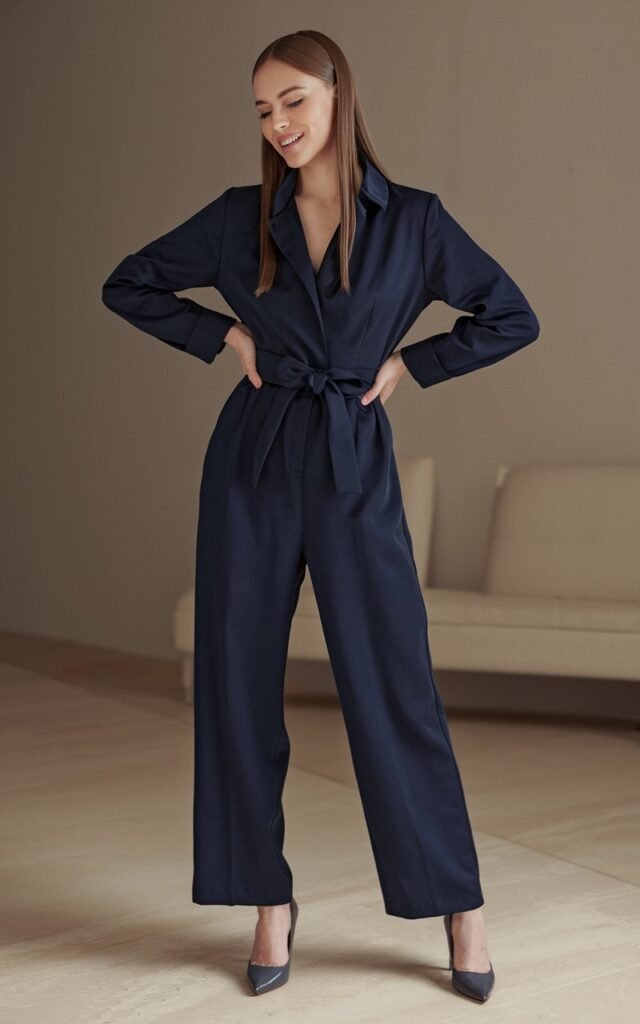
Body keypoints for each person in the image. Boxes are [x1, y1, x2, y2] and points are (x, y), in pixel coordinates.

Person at [101, 29, 539, 1001]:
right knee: (237, 683)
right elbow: (126, 282)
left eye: (294, 100)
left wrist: (411, 362)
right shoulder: (237, 218)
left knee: (394, 683)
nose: (279, 124)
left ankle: (458, 903)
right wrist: (223, 333)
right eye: (263, 109)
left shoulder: (414, 221)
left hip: (351, 461)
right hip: (251, 461)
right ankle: (267, 899)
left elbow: (510, 315)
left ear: (339, 95)